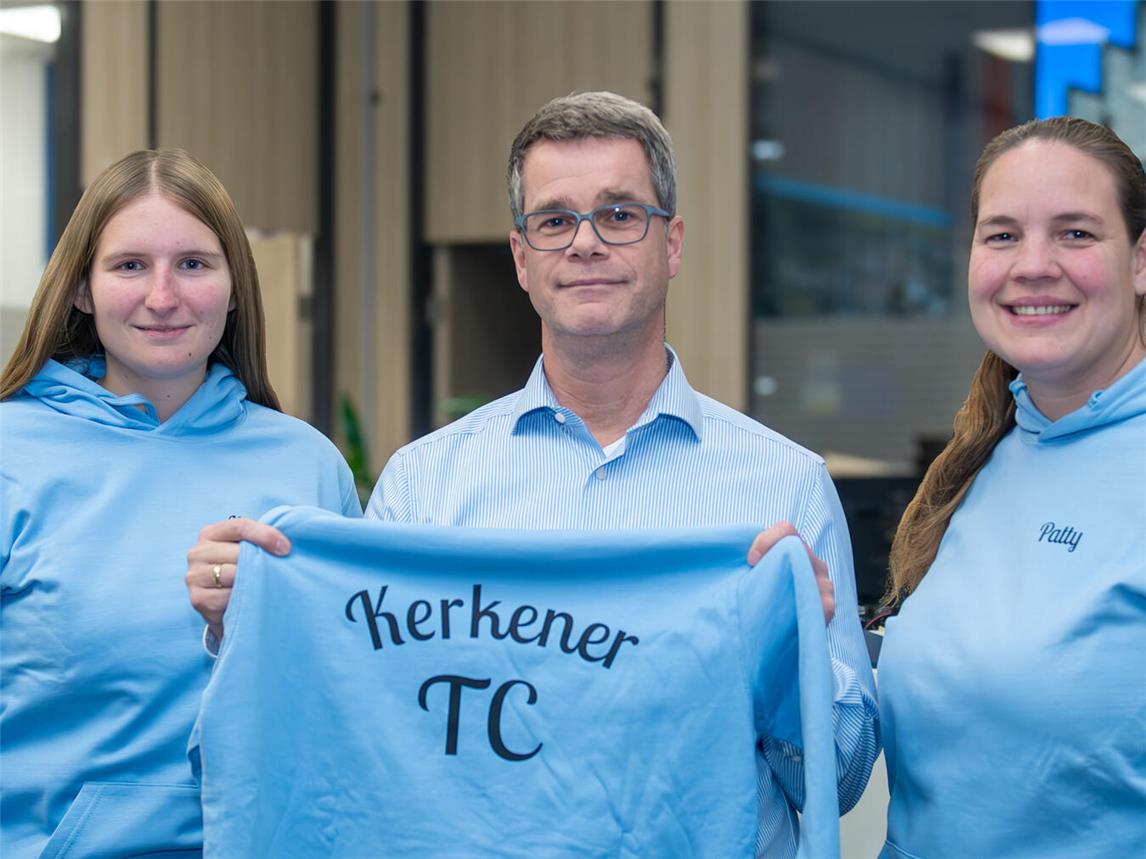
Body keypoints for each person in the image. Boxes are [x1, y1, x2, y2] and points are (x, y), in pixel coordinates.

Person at [187, 92, 878, 856]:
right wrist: (249, 621)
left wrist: (795, 658)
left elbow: (840, 781)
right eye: (554, 220)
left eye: (620, 215)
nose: (586, 243)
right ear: (522, 257)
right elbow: (355, 737)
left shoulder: (782, 487)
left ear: (672, 243)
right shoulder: (424, 487)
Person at [0, 149, 362, 858]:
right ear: (80, 288)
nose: (162, 296)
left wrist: (252, 629)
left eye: (194, 264)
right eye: (130, 265)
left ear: (233, 289)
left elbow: (356, 704)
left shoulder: (308, 463)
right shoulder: (10, 452)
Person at [878, 117, 1146, 858]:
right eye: (1002, 235)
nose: (1032, 264)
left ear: (1141, 259)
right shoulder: (977, 459)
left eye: (1076, 234)